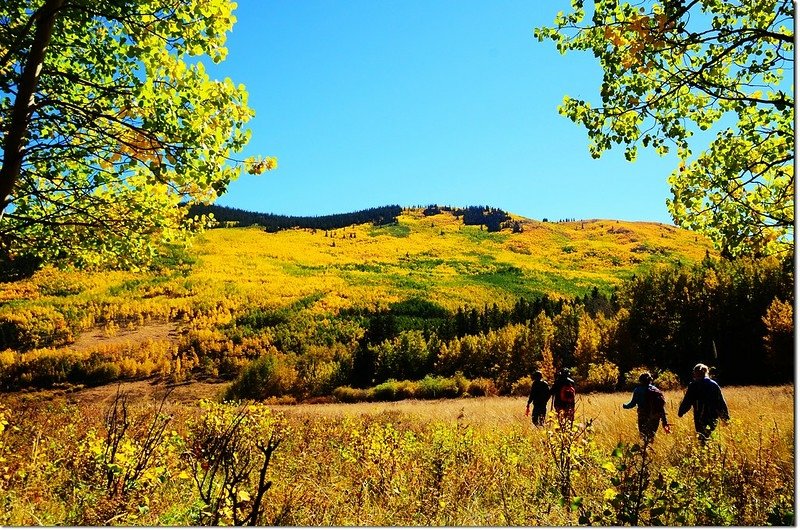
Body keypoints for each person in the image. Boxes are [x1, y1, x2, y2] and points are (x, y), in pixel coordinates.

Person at [678, 363, 730, 442]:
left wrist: (681, 411)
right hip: (712, 415)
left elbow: (687, 401)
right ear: (706, 372)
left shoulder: (693, 386)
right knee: (711, 435)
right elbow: (721, 403)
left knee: (702, 436)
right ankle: (712, 451)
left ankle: (703, 450)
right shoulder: (713, 385)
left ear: (695, 373)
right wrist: (725, 418)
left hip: (699, 416)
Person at [623, 372, 670, 443]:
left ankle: (644, 452)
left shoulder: (638, 390)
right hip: (655, 416)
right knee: (651, 436)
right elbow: (661, 407)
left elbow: (632, 404)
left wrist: (625, 406)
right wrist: (664, 421)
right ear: (650, 380)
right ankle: (650, 450)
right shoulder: (656, 390)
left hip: (643, 416)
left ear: (640, 380)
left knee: (643, 436)